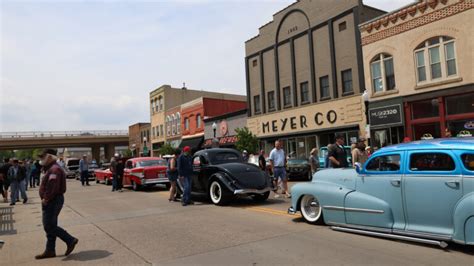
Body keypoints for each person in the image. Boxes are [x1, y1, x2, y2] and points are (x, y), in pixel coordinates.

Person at [35, 148, 78, 259]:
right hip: (52, 200)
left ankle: (70, 239)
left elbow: (52, 187)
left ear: (49, 157)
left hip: (52, 200)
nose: (41, 159)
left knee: (49, 226)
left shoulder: (54, 170)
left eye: (43, 157)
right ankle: (50, 250)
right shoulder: (50, 168)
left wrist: (46, 199)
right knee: (51, 225)